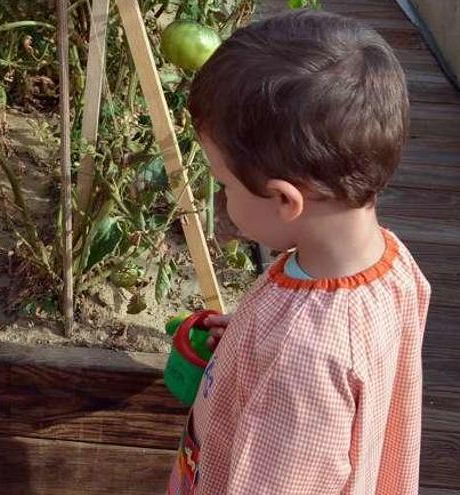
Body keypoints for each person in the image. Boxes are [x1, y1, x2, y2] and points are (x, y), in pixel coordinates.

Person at [168, 10, 431, 494]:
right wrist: (249, 340)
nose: (222, 196)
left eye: (224, 184)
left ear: (286, 200)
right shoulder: (394, 265)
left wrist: (280, 352)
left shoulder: (306, 359)